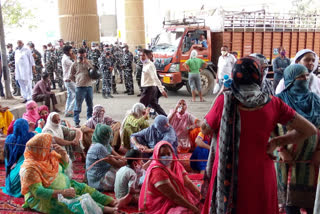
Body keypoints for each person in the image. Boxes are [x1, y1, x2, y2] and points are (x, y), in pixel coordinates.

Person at [202, 57, 317, 214]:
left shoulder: (225, 101)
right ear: (258, 75)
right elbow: (309, 129)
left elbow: (205, 129)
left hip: (228, 174)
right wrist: (277, 142)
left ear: (235, 75)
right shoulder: (273, 103)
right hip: (261, 174)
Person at [19, 133, 118, 214]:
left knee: (84, 188)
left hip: (65, 186)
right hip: (43, 198)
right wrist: (62, 192)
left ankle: (111, 201)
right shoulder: (29, 169)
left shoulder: (48, 156)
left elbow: (64, 167)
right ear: (40, 149)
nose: (51, 147)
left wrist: (63, 154)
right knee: (74, 203)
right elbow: (38, 192)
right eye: (47, 145)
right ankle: (104, 209)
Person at [275, 64, 320, 214]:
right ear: (290, 80)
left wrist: (319, 151)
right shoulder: (279, 102)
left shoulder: (315, 100)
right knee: (290, 205)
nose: (305, 79)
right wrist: (281, 150)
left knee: (312, 204)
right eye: (300, 77)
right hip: (288, 160)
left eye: (307, 76)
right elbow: (269, 129)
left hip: (311, 161)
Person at [138, 141, 201, 213]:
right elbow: (173, 196)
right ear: (156, 155)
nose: (166, 157)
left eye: (168, 154)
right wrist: (193, 208)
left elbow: (187, 182)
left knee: (200, 198)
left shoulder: (175, 163)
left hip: (177, 195)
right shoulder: (157, 171)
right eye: (162, 155)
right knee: (185, 211)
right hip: (162, 202)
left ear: (172, 153)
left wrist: (200, 194)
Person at [86, 124, 126, 191]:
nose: (111, 136)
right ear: (103, 136)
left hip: (104, 171)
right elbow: (117, 163)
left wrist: (124, 158)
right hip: (98, 180)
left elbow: (118, 156)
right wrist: (128, 161)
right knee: (124, 174)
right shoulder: (99, 147)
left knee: (124, 171)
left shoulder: (105, 144)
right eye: (109, 135)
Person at [1, 119, 34, 197]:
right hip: (23, 178)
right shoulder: (31, 137)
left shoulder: (9, 139)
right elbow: (41, 136)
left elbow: (7, 160)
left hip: (11, 179)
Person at [69, 47, 94, 127]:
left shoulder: (89, 62)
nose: (82, 56)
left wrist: (87, 63)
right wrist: (77, 81)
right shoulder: (74, 64)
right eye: (80, 55)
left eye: (83, 55)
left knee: (90, 104)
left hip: (89, 86)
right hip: (79, 87)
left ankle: (89, 120)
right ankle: (76, 121)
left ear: (85, 54)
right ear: (78, 55)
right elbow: (71, 75)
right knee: (78, 105)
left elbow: (94, 71)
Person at [139, 49, 168, 116]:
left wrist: (161, 89)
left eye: (143, 55)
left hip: (149, 88)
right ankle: (166, 118)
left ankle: (135, 122)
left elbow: (155, 78)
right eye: (140, 55)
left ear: (148, 56)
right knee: (155, 106)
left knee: (140, 106)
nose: (141, 57)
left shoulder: (150, 65)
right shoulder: (144, 64)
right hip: (148, 88)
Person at [62, 45, 76, 117]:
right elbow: (76, 64)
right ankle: (70, 110)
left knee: (70, 95)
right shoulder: (66, 59)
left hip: (67, 79)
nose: (72, 52)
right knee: (77, 94)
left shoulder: (66, 57)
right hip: (68, 79)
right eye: (71, 51)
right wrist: (75, 58)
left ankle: (67, 110)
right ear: (67, 52)